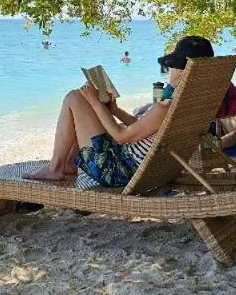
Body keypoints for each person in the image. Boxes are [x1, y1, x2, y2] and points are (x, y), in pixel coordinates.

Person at [24, 35, 217, 187]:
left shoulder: (165, 107)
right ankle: (65, 164)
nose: (170, 70)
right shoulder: (191, 102)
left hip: (116, 170)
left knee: (74, 97)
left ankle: (56, 167)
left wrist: (95, 102)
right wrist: (114, 110)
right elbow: (143, 127)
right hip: (146, 168)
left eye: (173, 66)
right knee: (82, 102)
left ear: (183, 71)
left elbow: (121, 136)